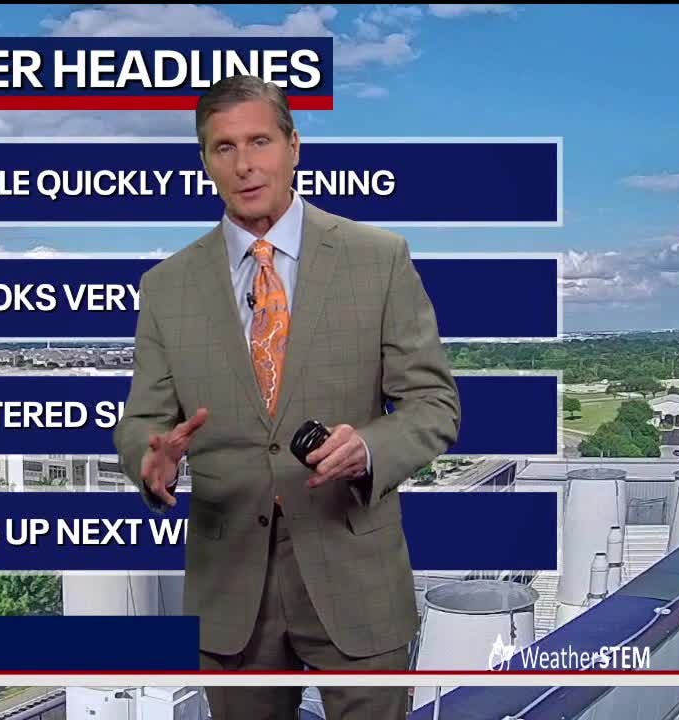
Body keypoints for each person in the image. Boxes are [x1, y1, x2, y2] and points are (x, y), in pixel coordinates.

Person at [112, 74, 462, 720]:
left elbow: (435, 405)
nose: (244, 164)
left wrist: (369, 448)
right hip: (231, 589)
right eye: (224, 147)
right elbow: (142, 422)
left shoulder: (378, 260)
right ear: (205, 161)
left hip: (355, 574)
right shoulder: (166, 288)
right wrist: (149, 460)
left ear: (294, 146)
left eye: (260, 141)